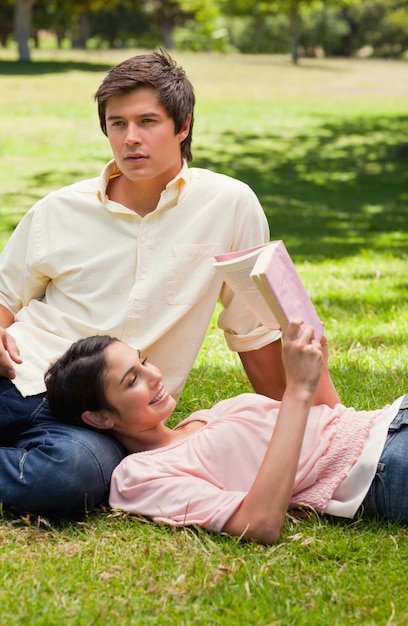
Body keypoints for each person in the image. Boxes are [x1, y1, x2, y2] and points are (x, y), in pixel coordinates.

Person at [0, 50, 300, 518]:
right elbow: (4, 298)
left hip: (98, 421)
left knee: (70, 478)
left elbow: (254, 333)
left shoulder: (230, 205)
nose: (130, 139)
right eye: (117, 124)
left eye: (147, 121)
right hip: (17, 374)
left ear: (183, 125)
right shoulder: (58, 210)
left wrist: (305, 427)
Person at [44, 322, 408, 544]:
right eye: (132, 380)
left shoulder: (212, 414)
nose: (155, 375)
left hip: (397, 415)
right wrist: (297, 390)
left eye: (143, 361)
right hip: (389, 464)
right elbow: (260, 524)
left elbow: (331, 421)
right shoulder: (139, 476)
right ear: (99, 419)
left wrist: (317, 367)